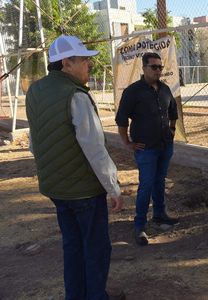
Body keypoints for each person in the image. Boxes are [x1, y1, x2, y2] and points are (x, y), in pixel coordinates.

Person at [25, 35, 124, 299]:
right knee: (96, 250)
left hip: (56, 190)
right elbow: (94, 148)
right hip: (85, 192)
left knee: (72, 247)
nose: (89, 65)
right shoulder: (75, 95)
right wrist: (113, 187)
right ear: (67, 63)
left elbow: (35, 143)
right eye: (84, 60)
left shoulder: (35, 91)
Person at [115, 52, 179, 246]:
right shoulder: (132, 92)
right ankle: (139, 225)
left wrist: (172, 130)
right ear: (143, 68)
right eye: (154, 67)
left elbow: (173, 113)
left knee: (160, 182)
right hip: (146, 149)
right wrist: (127, 143)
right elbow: (121, 120)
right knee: (146, 185)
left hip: (165, 146)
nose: (158, 70)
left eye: (160, 67)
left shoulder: (165, 89)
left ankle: (160, 215)